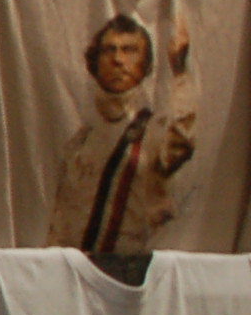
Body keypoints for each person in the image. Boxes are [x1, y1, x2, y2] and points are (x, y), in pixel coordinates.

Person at [45, 13, 195, 252]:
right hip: (75, 267)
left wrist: (180, 71)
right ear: (95, 62)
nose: (118, 60)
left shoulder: (153, 133)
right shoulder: (80, 142)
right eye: (109, 50)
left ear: (145, 64)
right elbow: (61, 221)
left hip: (130, 266)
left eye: (129, 50)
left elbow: (182, 138)